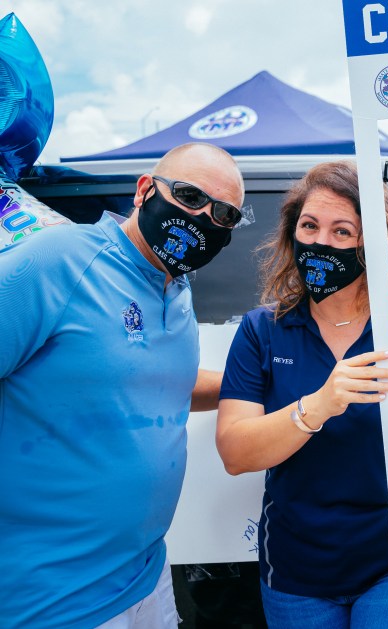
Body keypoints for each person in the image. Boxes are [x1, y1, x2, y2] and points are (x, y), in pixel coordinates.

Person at [215, 161, 388, 628]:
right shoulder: (262, 330)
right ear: (291, 233)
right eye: (309, 226)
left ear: (370, 244)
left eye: (342, 231)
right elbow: (235, 452)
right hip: (297, 569)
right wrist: (317, 406)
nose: (321, 242)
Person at [0, 142, 245, 628]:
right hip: (52, 599)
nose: (203, 218)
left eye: (223, 214)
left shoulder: (176, 288)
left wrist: (263, 384)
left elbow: (159, 385)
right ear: (144, 190)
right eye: (190, 196)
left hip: (145, 577)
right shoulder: (59, 260)